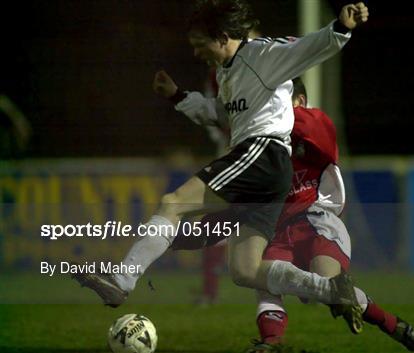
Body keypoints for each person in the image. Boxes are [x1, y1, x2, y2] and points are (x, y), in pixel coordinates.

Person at [72, 0, 369, 333]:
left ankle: (122, 280)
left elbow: (307, 48)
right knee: (245, 270)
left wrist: (341, 28)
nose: (198, 54)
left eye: (201, 45)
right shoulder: (226, 72)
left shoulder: (261, 53)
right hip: (268, 170)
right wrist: (177, 96)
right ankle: (331, 289)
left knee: (174, 203)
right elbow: (219, 114)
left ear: (223, 36)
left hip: (259, 153)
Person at [248, 78, 414, 352]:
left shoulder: (316, 124)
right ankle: (270, 344)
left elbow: (307, 126)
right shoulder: (266, 143)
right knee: (264, 280)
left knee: (329, 285)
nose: (268, 107)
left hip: (318, 222)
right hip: (280, 230)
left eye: (276, 100)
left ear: (298, 101)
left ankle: (393, 325)